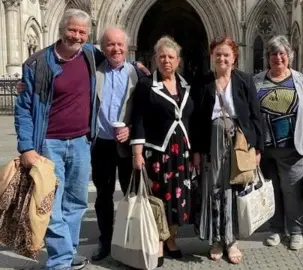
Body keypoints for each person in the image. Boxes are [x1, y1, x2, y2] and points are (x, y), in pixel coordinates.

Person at [15, 9, 103, 270]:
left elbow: (116, 56)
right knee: (49, 203)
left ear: (88, 35)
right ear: (61, 29)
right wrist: (27, 147)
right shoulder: (37, 63)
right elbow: (23, 108)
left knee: (76, 202)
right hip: (49, 144)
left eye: (82, 32)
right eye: (72, 30)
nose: (76, 36)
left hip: (81, 141)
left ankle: (68, 252)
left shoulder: (89, 55)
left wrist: (139, 66)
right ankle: (61, 260)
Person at [190, 36, 262, 264]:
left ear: (234, 58)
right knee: (213, 190)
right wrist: (197, 151)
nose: (221, 58)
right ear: (212, 57)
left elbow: (255, 115)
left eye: (226, 55)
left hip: (238, 144)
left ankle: (231, 240)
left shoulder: (244, 80)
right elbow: (195, 119)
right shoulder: (202, 82)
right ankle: (216, 240)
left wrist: (258, 148)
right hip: (211, 142)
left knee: (233, 189)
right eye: (217, 54)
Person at [130, 35, 194, 267]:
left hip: (181, 154)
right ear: (155, 59)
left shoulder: (186, 85)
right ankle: (157, 241)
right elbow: (138, 120)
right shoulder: (147, 85)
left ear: (178, 61)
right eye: (162, 56)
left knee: (178, 200)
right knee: (157, 200)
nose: (167, 61)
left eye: (171, 57)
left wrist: (194, 150)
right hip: (157, 153)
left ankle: (172, 239)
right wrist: (137, 153)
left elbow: (191, 120)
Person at [253, 35, 303, 251]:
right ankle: (276, 229)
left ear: (289, 56)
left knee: (293, 192)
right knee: (272, 191)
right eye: (273, 54)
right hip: (265, 149)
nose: (277, 57)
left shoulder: (300, 80)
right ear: (267, 57)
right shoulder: (257, 80)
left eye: (282, 53)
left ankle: (297, 231)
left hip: (292, 146)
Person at [90, 27, 141, 262]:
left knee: (131, 195)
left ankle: (129, 240)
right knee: (103, 196)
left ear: (127, 47)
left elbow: (144, 112)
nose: (116, 49)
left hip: (127, 145)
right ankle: (106, 241)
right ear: (103, 47)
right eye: (110, 44)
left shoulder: (138, 74)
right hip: (101, 144)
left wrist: (131, 129)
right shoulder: (93, 72)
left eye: (120, 44)